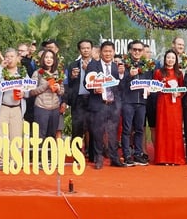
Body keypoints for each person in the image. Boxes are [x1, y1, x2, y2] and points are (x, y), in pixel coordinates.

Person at [84, 41, 126, 169]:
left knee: (113, 132)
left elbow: (122, 86)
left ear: (113, 53)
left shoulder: (116, 67)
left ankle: (114, 158)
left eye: (110, 51)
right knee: (98, 132)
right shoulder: (93, 65)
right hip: (98, 104)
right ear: (101, 52)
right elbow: (86, 83)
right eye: (105, 51)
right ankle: (99, 159)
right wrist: (94, 89)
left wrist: (122, 74)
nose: (108, 53)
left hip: (113, 105)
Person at [120, 40, 154, 166]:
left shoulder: (147, 65)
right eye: (135, 49)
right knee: (127, 129)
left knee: (140, 129)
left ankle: (138, 154)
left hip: (142, 101)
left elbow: (150, 81)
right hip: (128, 101)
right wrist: (129, 75)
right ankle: (127, 154)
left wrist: (150, 89)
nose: (137, 52)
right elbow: (119, 84)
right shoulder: (124, 65)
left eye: (140, 50)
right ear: (130, 50)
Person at [0, 48, 29, 145]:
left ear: (17, 58)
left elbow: (29, 88)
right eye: (7, 56)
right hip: (3, 107)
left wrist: (24, 93)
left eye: (12, 56)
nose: (9, 59)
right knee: (0, 136)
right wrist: (0, 67)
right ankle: (0, 159)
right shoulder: (1, 71)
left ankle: (14, 159)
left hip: (17, 108)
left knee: (16, 136)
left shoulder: (22, 72)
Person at [153, 49, 185, 165]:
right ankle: (162, 158)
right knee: (163, 129)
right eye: (168, 57)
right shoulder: (158, 72)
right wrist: (160, 85)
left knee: (175, 130)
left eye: (173, 58)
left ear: (176, 60)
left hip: (175, 105)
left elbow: (183, 88)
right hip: (163, 103)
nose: (170, 60)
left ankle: (176, 158)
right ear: (165, 59)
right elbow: (154, 87)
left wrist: (179, 93)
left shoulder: (179, 74)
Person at [65, 39, 94, 161]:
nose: (86, 50)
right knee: (77, 128)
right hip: (78, 100)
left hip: (93, 100)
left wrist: (88, 70)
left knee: (93, 128)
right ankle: (77, 155)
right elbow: (68, 84)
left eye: (88, 48)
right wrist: (72, 77)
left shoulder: (97, 64)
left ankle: (93, 155)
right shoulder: (73, 65)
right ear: (79, 50)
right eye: (83, 48)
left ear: (91, 49)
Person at [29, 49, 65, 144]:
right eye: (46, 57)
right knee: (40, 134)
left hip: (55, 108)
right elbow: (31, 91)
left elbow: (62, 91)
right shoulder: (38, 73)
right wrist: (45, 86)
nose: (49, 59)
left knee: (52, 135)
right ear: (43, 59)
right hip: (41, 107)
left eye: (51, 57)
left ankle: (50, 157)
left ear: (54, 60)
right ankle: (39, 156)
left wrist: (58, 89)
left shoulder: (58, 73)